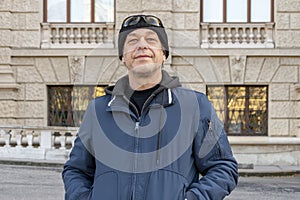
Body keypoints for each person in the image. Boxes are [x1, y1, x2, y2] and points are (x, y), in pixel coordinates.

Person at [62, 14, 238, 200]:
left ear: (164, 54)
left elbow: (223, 167)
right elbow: (75, 170)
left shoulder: (195, 106)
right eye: (132, 41)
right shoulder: (97, 110)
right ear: (123, 57)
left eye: (151, 39)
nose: (142, 45)